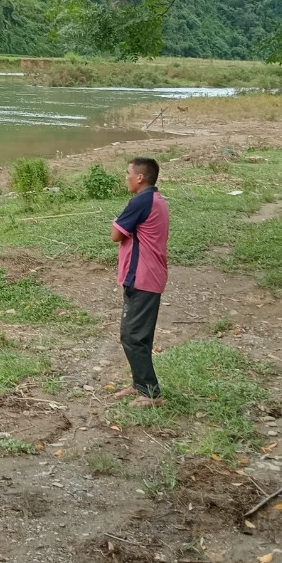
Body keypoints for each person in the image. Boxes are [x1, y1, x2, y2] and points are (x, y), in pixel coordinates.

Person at [109, 156, 169, 405]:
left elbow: (115, 234)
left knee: (132, 335)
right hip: (151, 274)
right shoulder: (156, 199)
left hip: (142, 276)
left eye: (128, 173)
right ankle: (140, 384)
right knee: (139, 335)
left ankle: (150, 392)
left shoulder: (141, 201)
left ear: (140, 177)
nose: (126, 178)